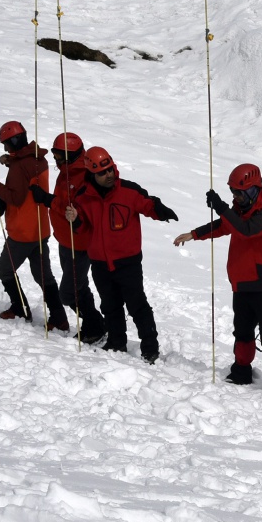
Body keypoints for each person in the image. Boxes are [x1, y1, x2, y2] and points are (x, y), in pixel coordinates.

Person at [174, 163, 262, 393]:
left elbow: (246, 230)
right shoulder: (238, 211)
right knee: (242, 332)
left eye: (240, 192)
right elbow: (225, 225)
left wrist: (221, 206)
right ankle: (241, 371)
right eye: (233, 192)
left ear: (254, 189)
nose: (236, 197)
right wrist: (195, 234)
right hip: (241, 283)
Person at [63, 147, 179, 363]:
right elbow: (83, 229)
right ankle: (117, 343)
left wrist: (159, 210)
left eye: (110, 169)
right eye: (102, 173)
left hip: (128, 262)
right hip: (99, 262)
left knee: (137, 305)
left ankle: (150, 348)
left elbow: (147, 204)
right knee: (110, 305)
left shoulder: (129, 190)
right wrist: (75, 219)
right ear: (92, 174)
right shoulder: (82, 198)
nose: (109, 175)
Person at [0, 122, 67, 329]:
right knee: (43, 276)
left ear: (13, 142)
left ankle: (20, 309)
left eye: (6, 144)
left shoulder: (20, 165)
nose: (5, 149)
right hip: (40, 229)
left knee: (4, 270)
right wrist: (10, 161)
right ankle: (59, 318)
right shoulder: (39, 159)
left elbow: (16, 197)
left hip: (22, 232)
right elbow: (25, 170)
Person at [28, 132, 105, 343]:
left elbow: (75, 209)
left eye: (58, 154)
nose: (55, 158)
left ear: (70, 155)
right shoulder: (67, 170)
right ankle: (93, 326)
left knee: (68, 293)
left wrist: (47, 200)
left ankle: (95, 325)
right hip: (65, 239)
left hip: (78, 243)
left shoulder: (82, 174)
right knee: (79, 286)